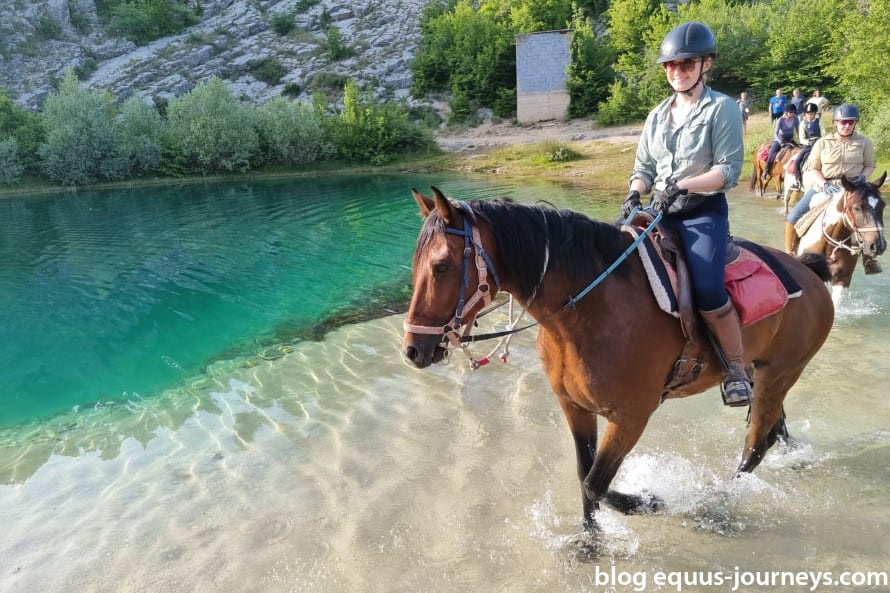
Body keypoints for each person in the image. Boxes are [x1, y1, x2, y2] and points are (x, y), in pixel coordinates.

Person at [620, 21, 751, 406]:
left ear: (705, 64)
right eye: (671, 65)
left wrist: (682, 185)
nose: (678, 70)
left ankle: (736, 369)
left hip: (701, 213)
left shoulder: (722, 108)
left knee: (708, 289)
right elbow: (643, 167)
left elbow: (727, 171)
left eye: (687, 63)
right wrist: (634, 193)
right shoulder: (656, 116)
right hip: (658, 209)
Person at [784, 103, 880, 273]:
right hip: (825, 185)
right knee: (793, 217)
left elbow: (870, 165)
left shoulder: (864, 142)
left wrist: (863, 177)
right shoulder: (822, 143)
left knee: (869, 217)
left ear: (855, 123)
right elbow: (814, 168)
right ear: (835, 122)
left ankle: (869, 260)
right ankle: (789, 254)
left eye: (851, 122)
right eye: (843, 122)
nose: (847, 125)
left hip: (853, 187)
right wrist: (824, 184)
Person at [762, 103, 799, 181]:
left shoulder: (795, 118)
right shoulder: (781, 120)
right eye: (791, 112)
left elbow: (798, 130)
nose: (792, 114)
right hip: (780, 140)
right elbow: (775, 133)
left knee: (799, 153)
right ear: (786, 112)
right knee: (771, 156)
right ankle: (765, 172)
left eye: (793, 112)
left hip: (790, 139)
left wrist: (801, 140)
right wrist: (780, 142)